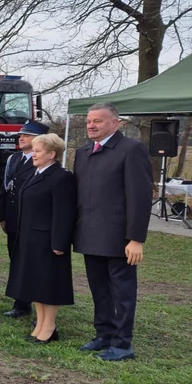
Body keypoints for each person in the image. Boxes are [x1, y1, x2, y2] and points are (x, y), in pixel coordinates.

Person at [73, 103, 152, 361]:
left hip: (118, 237)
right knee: (99, 289)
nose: (91, 125)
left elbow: (139, 198)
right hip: (89, 234)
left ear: (115, 123)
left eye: (98, 120)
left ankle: (122, 343)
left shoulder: (131, 150)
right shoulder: (83, 152)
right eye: (88, 121)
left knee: (122, 292)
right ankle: (103, 335)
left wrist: (136, 238)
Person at [6, 133, 76, 343]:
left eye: (38, 151)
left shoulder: (61, 177)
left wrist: (59, 242)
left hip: (48, 241)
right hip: (30, 238)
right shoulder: (34, 173)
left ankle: (50, 327)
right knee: (35, 282)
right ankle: (41, 322)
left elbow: (64, 213)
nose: (33, 155)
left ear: (52, 154)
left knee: (49, 285)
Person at [0, 120, 49, 318]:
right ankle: (20, 303)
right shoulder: (14, 159)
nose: (21, 138)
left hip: (30, 220)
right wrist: (3, 216)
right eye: (21, 135)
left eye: (26, 135)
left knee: (30, 263)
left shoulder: (41, 162)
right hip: (13, 219)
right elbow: (5, 189)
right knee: (16, 260)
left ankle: (29, 303)